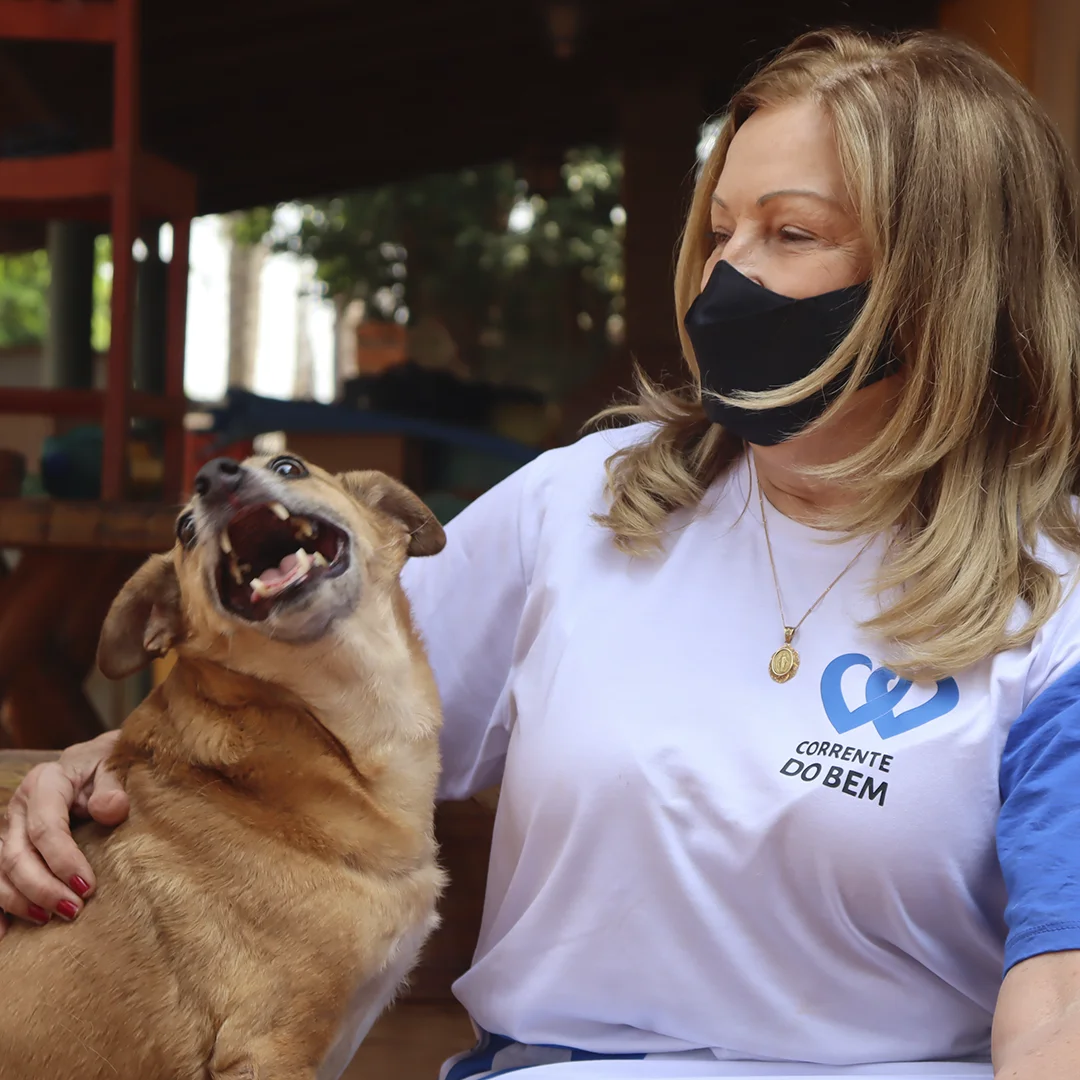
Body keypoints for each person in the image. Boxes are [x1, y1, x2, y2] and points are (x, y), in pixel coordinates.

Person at [4, 26, 1080, 1080]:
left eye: (790, 235)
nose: (723, 282)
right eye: (718, 234)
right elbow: (313, 708)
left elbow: (1061, 1011)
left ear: (947, 284)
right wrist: (86, 783)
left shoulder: (1058, 609)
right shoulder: (584, 507)